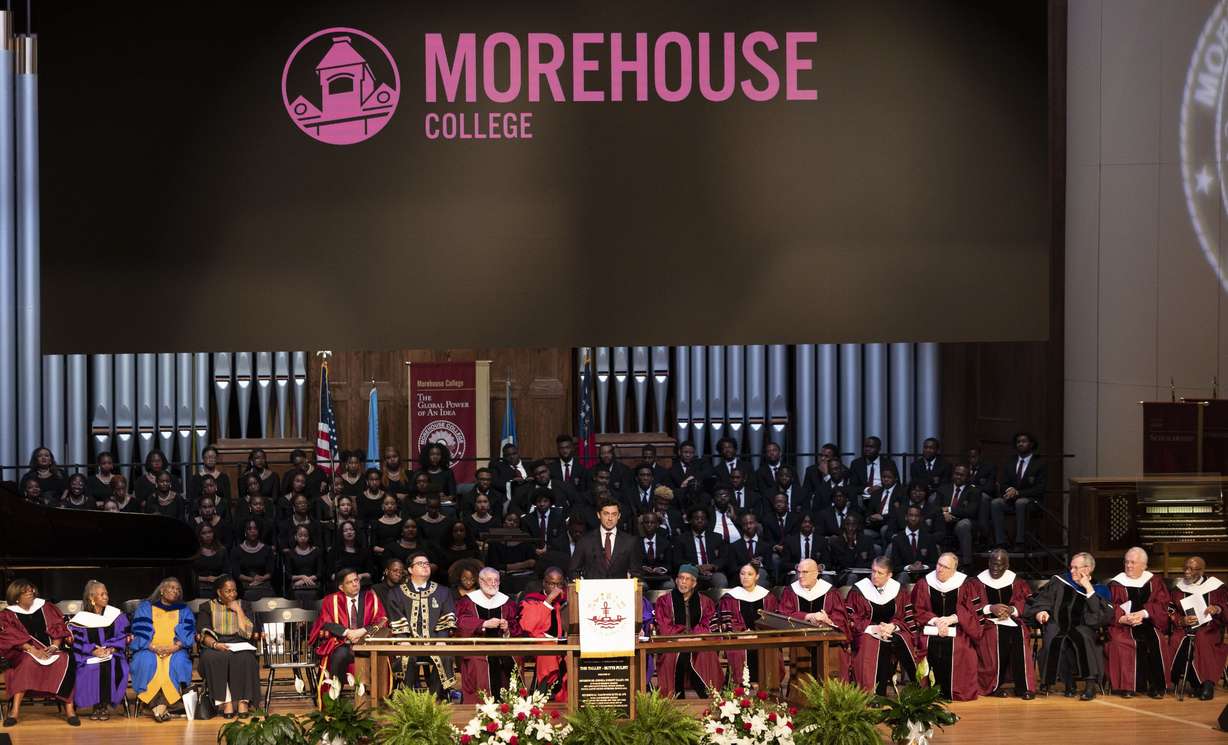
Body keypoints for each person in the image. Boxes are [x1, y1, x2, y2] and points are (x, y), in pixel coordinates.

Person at [1024, 552, 1112, 700]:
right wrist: (1041, 612)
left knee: (1083, 637)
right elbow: (1041, 600)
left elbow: (1098, 616)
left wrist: (1089, 589)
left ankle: (1090, 686)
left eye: (1076, 568)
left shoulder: (1099, 589)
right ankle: (1068, 684)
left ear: (1088, 568)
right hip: (1057, 623)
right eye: (1071, 567)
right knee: (1054, 637)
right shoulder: (1059, 581)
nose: (1071, 571)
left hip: (1084, 627)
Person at [0, 579, 79, 726]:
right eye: (25, 591)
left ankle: (70, 711)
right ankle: (14, 712)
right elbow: (9, 636)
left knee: (65, 660)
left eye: (31, 590)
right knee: (27, 662)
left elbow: (59, 628)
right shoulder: (8, 615)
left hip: (50, 650)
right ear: (16, 596)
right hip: (24, 651)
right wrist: (32, 650)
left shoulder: (46, 607)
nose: (30, 592)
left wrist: (55, 646)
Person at [308, 569, 388, 705]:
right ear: (341, 587)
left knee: (379, 655)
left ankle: (378, 700)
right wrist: (347, 632)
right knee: (339, 656)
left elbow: (382, 620)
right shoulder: (331, 600)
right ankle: (334, 701)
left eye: (356, 580)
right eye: (349, 582)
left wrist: (361, 631)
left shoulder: (370, 597)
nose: (355, 584)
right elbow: (326, 622)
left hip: (367, 643)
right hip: (342, 643)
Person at [386, 551, 458, 696]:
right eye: (420, 564)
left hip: (435, 641)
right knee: (407, 657)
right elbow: (396, 618)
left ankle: (434, 699)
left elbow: (447, 617)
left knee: (444, 656)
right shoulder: (396, 593)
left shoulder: (443, 591)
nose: (425, 566)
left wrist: (441, 640)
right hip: (407, 642)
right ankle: (407, 700)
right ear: (411, 570)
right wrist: (403, 640)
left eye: (427, 564)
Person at [911, 553, 980, 701]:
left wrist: (952, 618)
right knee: (926, 644)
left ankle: (955, 691)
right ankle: (927, 691)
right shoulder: (925, 583)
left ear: (954, 570)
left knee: (962, 648)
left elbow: (972, 612)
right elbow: (918, 609)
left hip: (959, 627)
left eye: (945, 567)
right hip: (930, 626)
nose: (939, 569)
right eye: (938, 564)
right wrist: (936, 620)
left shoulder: (965, 584)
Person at [968, 549, 1037, 699]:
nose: (995, 568)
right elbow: (968, 605)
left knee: (1019, 633)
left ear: (1007, 565)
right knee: (995, 635)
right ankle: (993, 686)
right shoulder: (976, 582)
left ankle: (1024, 687)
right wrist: (990, 608)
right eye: (993, 564)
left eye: (1000, 565)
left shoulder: (1017, 582)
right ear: (988, 563)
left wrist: (1012, 609)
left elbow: (1029, 602)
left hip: (1011, 621)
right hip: (986, 622)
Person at [1106, 546, 1170, 699]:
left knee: (1157, 640)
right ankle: (1128, 686)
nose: (1129, 566)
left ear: (1144, 565)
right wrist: (1122, 617)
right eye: (1127, 562)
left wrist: (1144, 613)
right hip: (1122, 624)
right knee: (1122, 641)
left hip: (1149, 622)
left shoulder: (1154, 582)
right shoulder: (1116, 583)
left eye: (1133, 563)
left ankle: (1157, 686)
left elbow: (1163, 604)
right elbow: (1108, 606)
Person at [848, 556, 918, 694]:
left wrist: (893, 626)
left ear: (889, 575)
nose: (875, 576)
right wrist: (872, 628)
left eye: (880, 573)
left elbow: (906, 616)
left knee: (903, 640)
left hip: (893, 629)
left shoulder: (899, 590)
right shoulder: (859, 590)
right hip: (866, 631)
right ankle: (874, 693)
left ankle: (917, 689)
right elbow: (852, 616)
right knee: (872, 643)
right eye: (873, 571)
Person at [130, 578, 194, 722]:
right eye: (171, 587)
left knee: (179, 662)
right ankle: (162, 707)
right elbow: (140, 630)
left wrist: (175, 647)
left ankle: (156, 708)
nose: (175, 591)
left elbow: (188, 632)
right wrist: (151, 646)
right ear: (162, 590)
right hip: (148, 647)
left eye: (178, 589)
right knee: (145, 661)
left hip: (175, 649)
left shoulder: (184, 610)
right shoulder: (146, 607)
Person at [197, 575, 260, 718]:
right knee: (214, 658)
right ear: (219, 592)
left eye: (234, 591)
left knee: (246, 659)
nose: (232, 594)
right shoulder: (207, 606)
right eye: (228, 591)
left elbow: (248, 633)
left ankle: (243, 702)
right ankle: (227, 703)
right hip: (216, 643)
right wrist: (215, 644)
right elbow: (203, 632)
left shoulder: (244, 605)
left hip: (240, 642)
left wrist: (238, 611)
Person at [654, 565, 721, 698]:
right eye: (681, 578)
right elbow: (664, 626)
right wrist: (680, 637)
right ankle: (694, 695)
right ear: (676, 580)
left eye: (687, 579)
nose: (683, 582)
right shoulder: (664, 601)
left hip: (698, 641)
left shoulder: (705, 602)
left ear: (694, 583)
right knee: (677, 655)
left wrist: (696, 637)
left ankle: (704, 694)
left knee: (704, 654)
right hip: (673, 642)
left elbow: (708, 623)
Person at [1166, 556, 1228, 700]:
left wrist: (1217, 609)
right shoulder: (1178, 588)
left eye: (1191, 569)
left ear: (1202, 570)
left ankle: (1207, 684)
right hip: (1185, 627)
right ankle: (1177, 681)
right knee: (1176, 639)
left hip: (1210, 627)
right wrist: (1181, 620)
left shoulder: (1216, 587)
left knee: (1203, 639)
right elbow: (1170, 609)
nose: (1187, 572)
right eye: (1185, 568)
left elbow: (1226, 605)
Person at [779, 558, 850, 681]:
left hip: (827, 640)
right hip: (799, 640)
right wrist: (807, 616)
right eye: (799, 572)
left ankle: (830, 696)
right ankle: (800, 698)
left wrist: (829, 620)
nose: (800, 576)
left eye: (805, 572)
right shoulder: (790, 591)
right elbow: (784, 614)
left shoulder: (830, 592)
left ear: (816, 573)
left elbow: (841, 618)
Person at [456, 568, 520, 701]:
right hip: (478, 647)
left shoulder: (507, 602)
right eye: (489, 580)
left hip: (502, 646)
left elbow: (517, 625)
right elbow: (461, 623)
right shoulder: (467, 602)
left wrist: (507, 628)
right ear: (480, 581)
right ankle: (480, 705)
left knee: (515, 658)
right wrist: (484, 624)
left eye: (496, 580)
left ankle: (511, 706)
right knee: (477, 661)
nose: (493, 583)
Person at [69, 580, 129, 721]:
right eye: (101, 595)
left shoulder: (116, 615)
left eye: (106, 594)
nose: (105, 597)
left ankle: (103, 706)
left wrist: (112, 648)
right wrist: (92, 650)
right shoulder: (81, 619)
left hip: (112, 654)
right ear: (91, 598)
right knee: (91, 668)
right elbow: (77, 642)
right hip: (88, 655)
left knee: (111, 666)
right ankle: (96, 706)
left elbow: (124, 635)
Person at [719, 563, 781, 684]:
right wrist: (742, 632)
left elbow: (774, 620)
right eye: (742, 574)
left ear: (757, 576)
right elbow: (726, 620)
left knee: (771, 650)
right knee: (737, 651)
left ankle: (769, 688)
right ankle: (738, 689)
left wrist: (759, 634)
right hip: (739, 639)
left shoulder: (768, 597)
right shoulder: (730, 597)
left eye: (750, 574)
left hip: (764, 638)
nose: (745, 577)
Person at [991, 431, 1046, 551]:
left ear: (1031, 444)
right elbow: (1003, 483)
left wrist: (1019, 493)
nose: (1020, 444)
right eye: (1018, 442)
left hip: (1032, 501)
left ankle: (1020, 542)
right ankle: (1001, 542)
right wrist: (1009, 489)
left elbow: (1040, 488)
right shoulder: (1010, 462)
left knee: (1020, 502)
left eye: (1024, 441)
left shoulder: (1039, 463)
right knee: (996, 503)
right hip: (1011, 500)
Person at [519, 568, 569, 699]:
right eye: (552, 584)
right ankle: (543, 692)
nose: (556, 587)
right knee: (548, 649)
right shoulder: (532, 600)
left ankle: (567, 696)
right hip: (538, 643)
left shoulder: (568, 602)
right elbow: (528, 627)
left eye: (559, 584)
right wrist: (548, 601)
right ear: (544, 583)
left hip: (563, 643)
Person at [569, 498, 641, 580]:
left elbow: (636, 574)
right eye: (606, 514)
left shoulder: (629, 542)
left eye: (614, 514)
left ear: (619, 516)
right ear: (599, 515)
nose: (610, 518)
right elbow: (573, 571)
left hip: (619, 591)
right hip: (592, 591)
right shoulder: (585, 541)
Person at [936, 465, 981, 569]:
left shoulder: (973, 491)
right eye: (956, 474)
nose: (958, 477)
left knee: (963, 525)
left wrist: (950, 509)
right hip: (945, 521)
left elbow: (971, 512)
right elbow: (934, 508)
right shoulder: (943, 489)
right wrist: (944, 514)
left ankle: (967, 564)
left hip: (964, 522)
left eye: (962, 475)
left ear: (967, 477)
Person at [673, 505, 728, 589]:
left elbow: (724, 558)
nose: (700, 521)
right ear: (690, 520)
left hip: (712, 572)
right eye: (696, 518)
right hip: (691, 572)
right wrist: (696, 567)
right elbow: (677, 560)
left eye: (703, 518)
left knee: (721, 580)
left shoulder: (717, 537)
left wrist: (712, 566)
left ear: (707, 521)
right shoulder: (681, 539)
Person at [827, 514, 878, 586]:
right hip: (844, 575)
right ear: (844, 526)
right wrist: (850, 544)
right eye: (848, 524)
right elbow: (844, 565)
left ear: (857, 526)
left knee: (875, 577)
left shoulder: (866, 540)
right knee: (852, 576)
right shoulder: (837, 542)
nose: (850, 528)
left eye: (853, 525)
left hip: (863, 574)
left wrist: (859, 567)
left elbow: (872, 562)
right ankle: (850, 597)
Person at [232, 518, 275, 601]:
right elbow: (237, 574)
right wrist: (253, 580)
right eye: (249, 529)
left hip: (264, 583)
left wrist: (261, 579)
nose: (253, 531)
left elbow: (270, 572)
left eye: (255, 528)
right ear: (244, 531)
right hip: (244, 585)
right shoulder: (236, 550)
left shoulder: (267, 549)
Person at [727, 513, 773, 588]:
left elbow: (770, 569)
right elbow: (732, 569)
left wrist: (760, 565)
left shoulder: (766, 546)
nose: (748, 526)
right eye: (745, 524)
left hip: (760, 580)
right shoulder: (734, 546)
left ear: (756, 524)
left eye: (751, 523)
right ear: (742, 526)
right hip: (740, 581)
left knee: (761, 573)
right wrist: (749, 565)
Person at [284, 525, 325, 608]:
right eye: (300, 535)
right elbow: (288, 575)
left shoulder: (316, 551)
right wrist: (302, 577)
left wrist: (307, 580)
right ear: (295, 537)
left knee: (315, 594)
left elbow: (320, 573)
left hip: (314, 582)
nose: (303, 538)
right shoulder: (290, 553)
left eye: (305, 535)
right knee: (294, 594)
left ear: (309, 537)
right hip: (295, 583)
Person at [329, 519, 373, 587]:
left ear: (356, 532)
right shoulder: (335, 551)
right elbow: (331, 574)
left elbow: (370, 573)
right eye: (345, 530)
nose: (349, 532)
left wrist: (361, 575)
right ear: (341, 534)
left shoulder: (364, 551)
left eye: (351, 529)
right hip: (342, 584)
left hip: (360, 583)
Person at [194, 523, 230, 598]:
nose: (208, 535)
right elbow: (190, 574)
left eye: (210, 532)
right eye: (204, 533)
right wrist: (206, 579)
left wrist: (218, 578)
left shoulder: (222, 550)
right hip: (199, 587)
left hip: (218, 586)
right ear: (199, 535)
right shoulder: (194, 551)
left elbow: (227, 572)